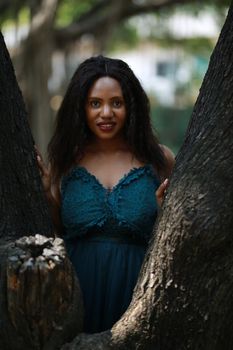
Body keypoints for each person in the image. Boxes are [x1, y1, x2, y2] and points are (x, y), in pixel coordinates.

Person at [37, 55, 175, 334]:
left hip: (139, 295)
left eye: (117, 103)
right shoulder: (65, 161)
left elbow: (171, 236)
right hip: (77, 291)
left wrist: (164, 212)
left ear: (131, 106)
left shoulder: (159, 160)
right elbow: (56, 229)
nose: (106, 113)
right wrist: (45, 192)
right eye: (95, 103)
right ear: (81, 108)